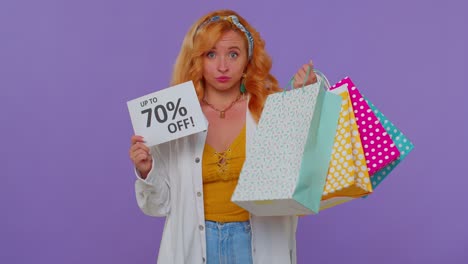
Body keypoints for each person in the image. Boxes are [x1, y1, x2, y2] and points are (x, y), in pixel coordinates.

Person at [129, 9, 318, 264]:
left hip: (258, 244)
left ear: (248, 60)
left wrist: (304, 102)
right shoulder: (176, 117)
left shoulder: (269, 108)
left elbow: (302, 179)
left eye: (233, 54)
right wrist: (147, 170)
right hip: (195, 246)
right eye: (211, 54)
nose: (222, 66)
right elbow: (158, 205)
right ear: (197, 59)